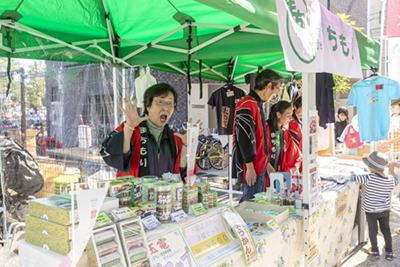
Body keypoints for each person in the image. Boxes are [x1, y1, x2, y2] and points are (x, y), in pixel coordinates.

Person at [100, 83, 201, 180]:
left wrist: (186, 146)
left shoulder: (176, 139)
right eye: (160, 102)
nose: (166, 108)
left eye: (170, 103)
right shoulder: (131, 129)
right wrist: (129, 127)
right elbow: (115, 158)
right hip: (133, 195)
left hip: (164, 195)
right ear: (148, 106)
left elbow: (184, 174)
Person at [232, 69, 282, 202]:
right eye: (276, 89)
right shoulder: (248, 103)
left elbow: (260, 139)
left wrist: (267, 164)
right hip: (253, 167)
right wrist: (249, 166)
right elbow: (243, 136)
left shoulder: (255, 103)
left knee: (254, 204)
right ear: (269, 86)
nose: (275, 94)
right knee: (250, 206)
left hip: (259, 165)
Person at [350, 152, 397, 261]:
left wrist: (352, 174)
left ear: (371, 167)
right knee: (386, 229)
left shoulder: (368, 177)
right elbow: (396, 181)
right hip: (385, 210)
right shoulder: (390, 180)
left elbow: (354, 178)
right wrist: (391, 169)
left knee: (373, 230)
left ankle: (375, 250)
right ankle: (389, 252)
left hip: (370, 211)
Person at [265, 101, 302, 190]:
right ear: (278, 114)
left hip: (277, 177)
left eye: (291, 115)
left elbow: (295, 153)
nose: (290, 118)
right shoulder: (265, 129)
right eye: (288, 115)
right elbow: (257, 151)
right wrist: (267, 165)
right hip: (263, 176)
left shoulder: (284, 132)